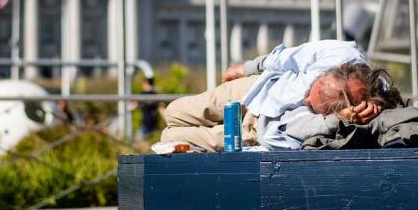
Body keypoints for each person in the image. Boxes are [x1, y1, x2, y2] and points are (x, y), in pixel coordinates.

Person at [160, 40, 402, 152]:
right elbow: (286, 57)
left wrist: (347, 118)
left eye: (314, 106)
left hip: (259, 131)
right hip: (259, 90)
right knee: (174, 112)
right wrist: (246, 68)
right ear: (334, 72)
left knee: (170, 136)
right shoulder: (339, 53)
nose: (306, 102)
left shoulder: (358, 110)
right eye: (312, 92)